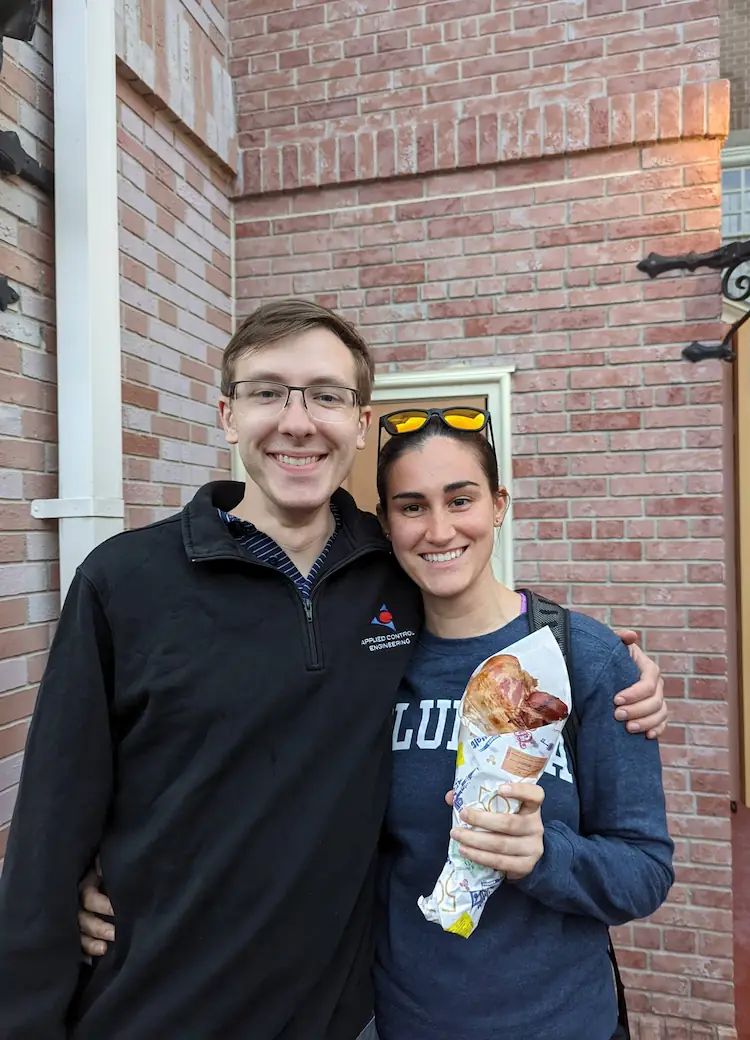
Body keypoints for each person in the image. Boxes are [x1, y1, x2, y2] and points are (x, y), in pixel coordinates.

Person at [0, 299, 667, 1040]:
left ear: (357, 423)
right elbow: (50, 827)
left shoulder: (395, 579)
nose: (297, 421)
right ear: (227, 414)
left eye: (324, 395)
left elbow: (476, 600)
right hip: (156, 1007)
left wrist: (612, 661)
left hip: (341, 1017)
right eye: (266, 392)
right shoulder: (123, 583)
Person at [369, 408, 674, 1040]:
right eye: (412, 506)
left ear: (499, 504)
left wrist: (542, 854)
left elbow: (645, 869)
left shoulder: (582, 659)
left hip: (559, 1022)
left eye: (461, 499)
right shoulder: (369, 665)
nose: (440, 528)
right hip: (404, 1019)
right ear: (385, 523)